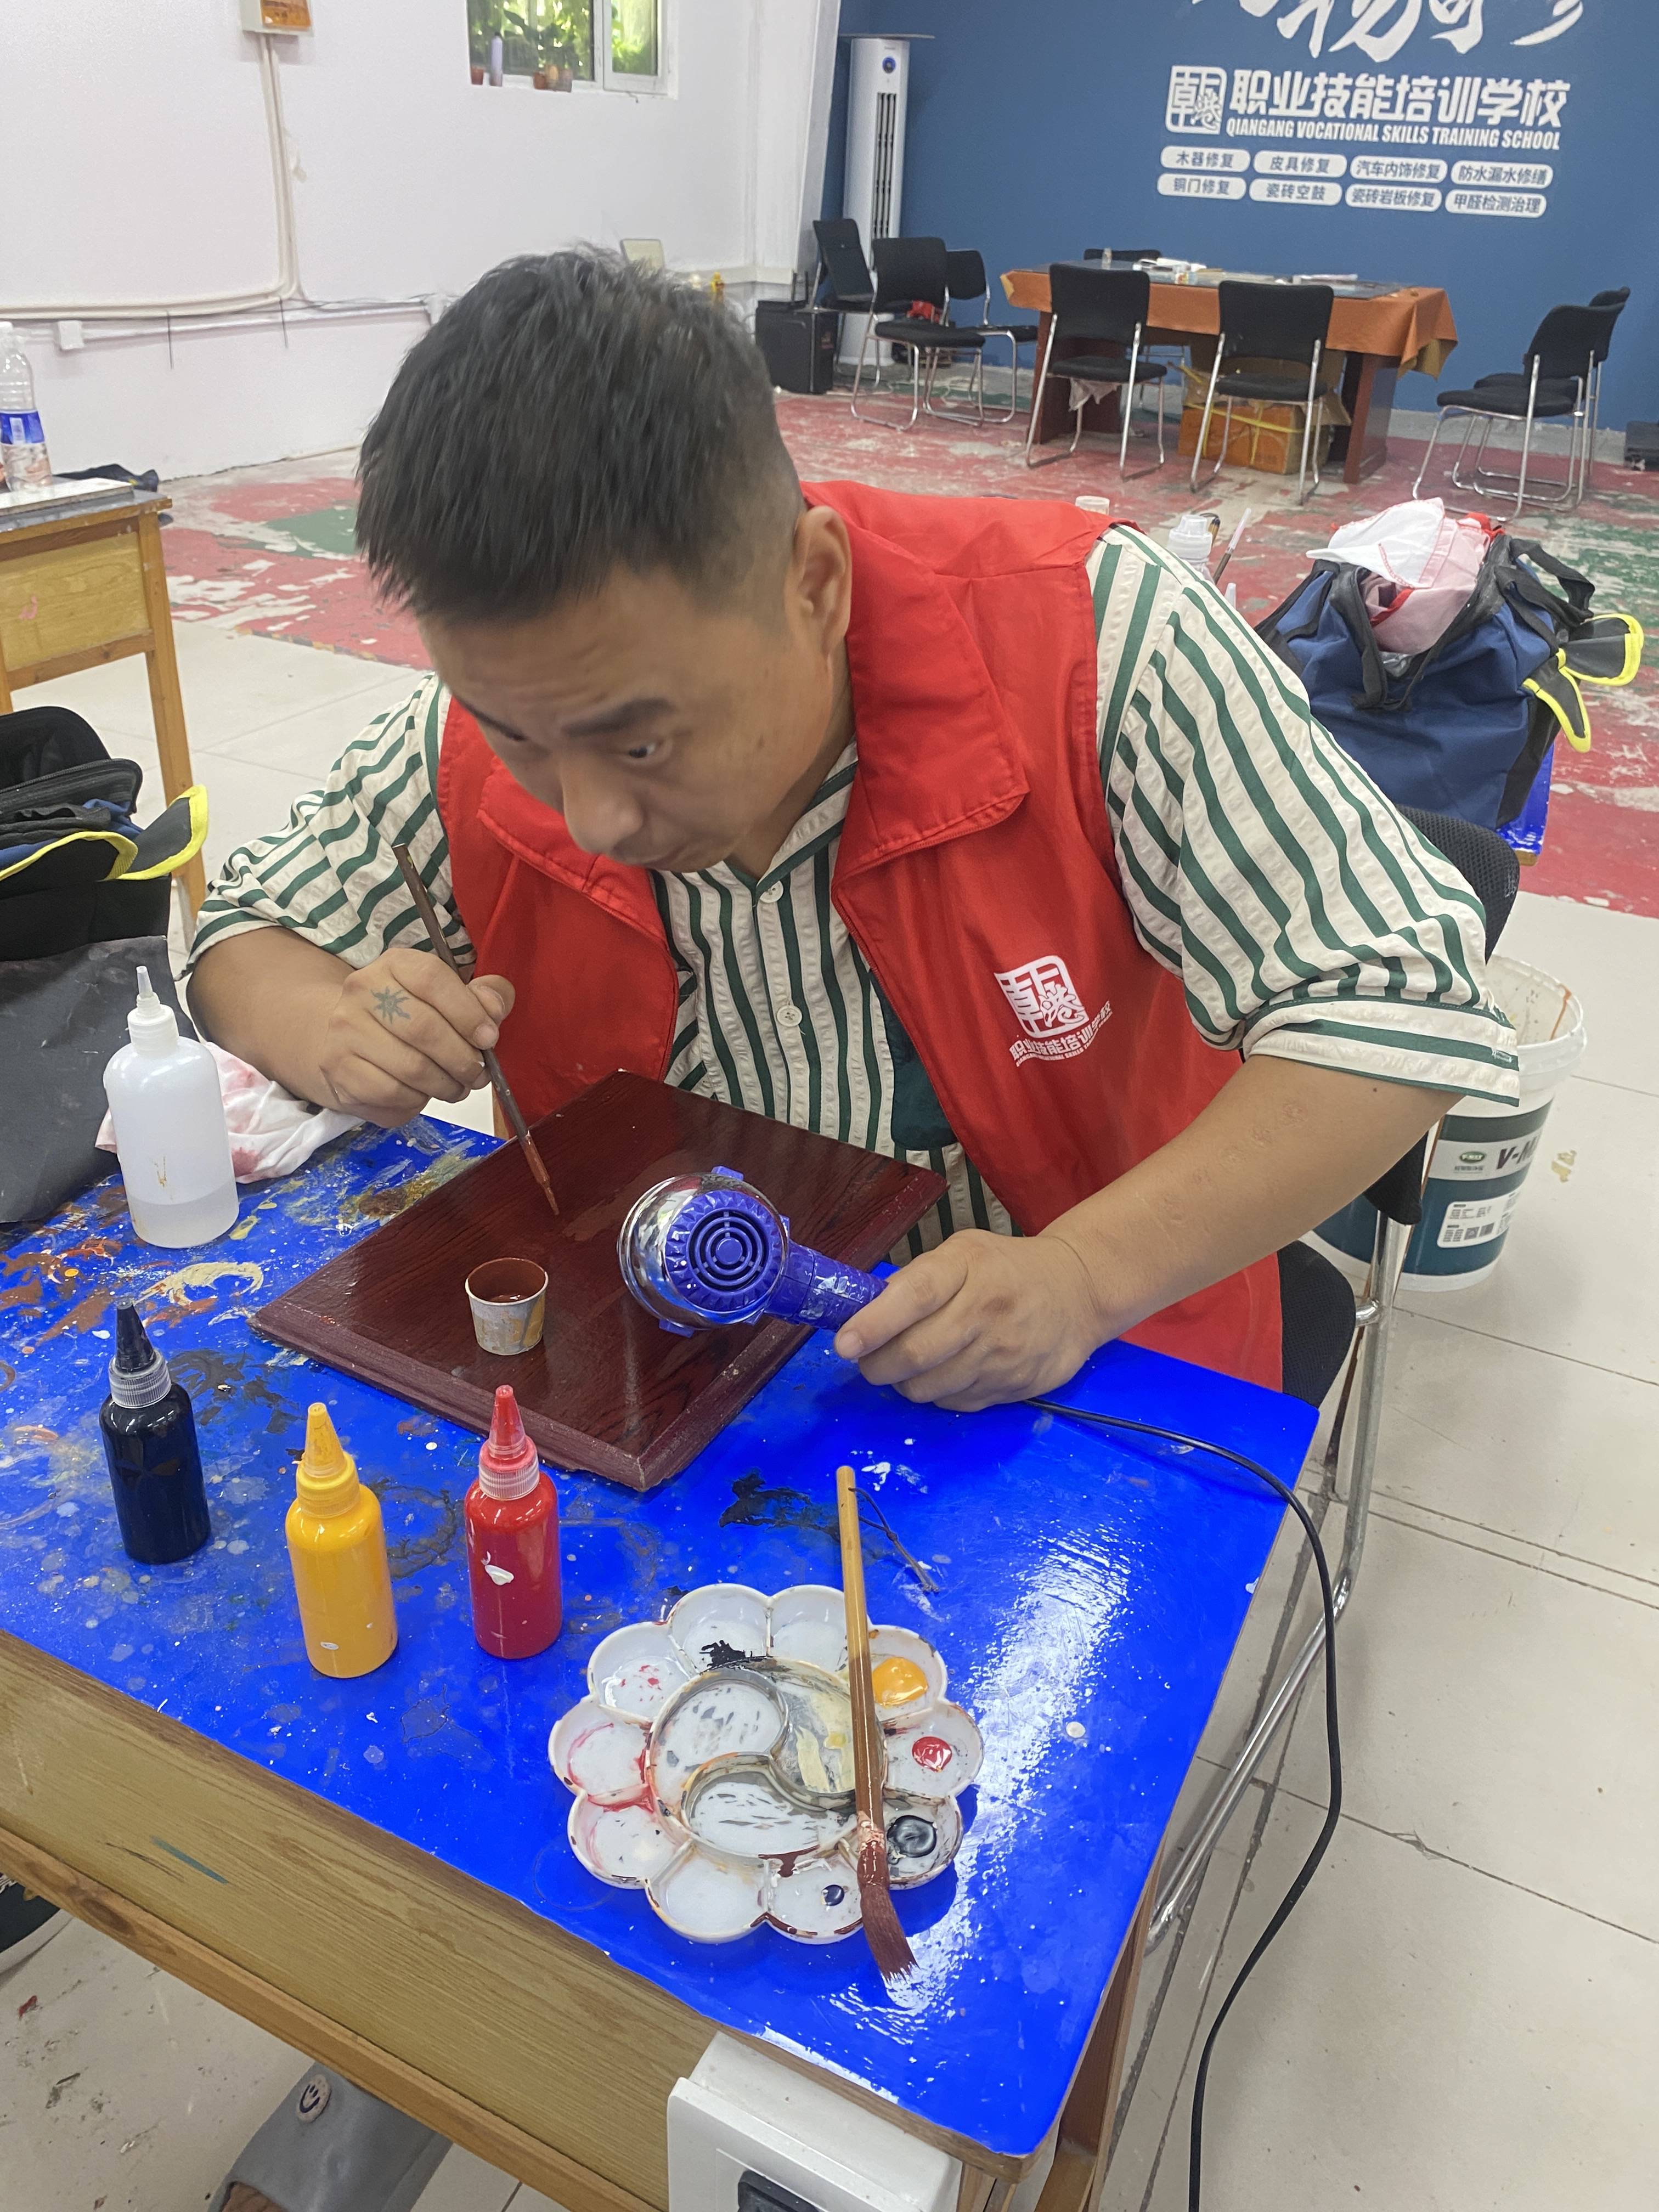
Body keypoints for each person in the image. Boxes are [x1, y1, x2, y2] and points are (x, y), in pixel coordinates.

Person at [186, 252, 1518, 1411]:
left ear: (814, 584)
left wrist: (1081, 1276)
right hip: (656, 1361)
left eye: (643, 744)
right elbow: (246, 934)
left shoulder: (1096, 645)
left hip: (1072, 1367)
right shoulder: (510, 710)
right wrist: (329, 1026)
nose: (590, 816)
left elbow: (1402, 1014)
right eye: (519, 736)